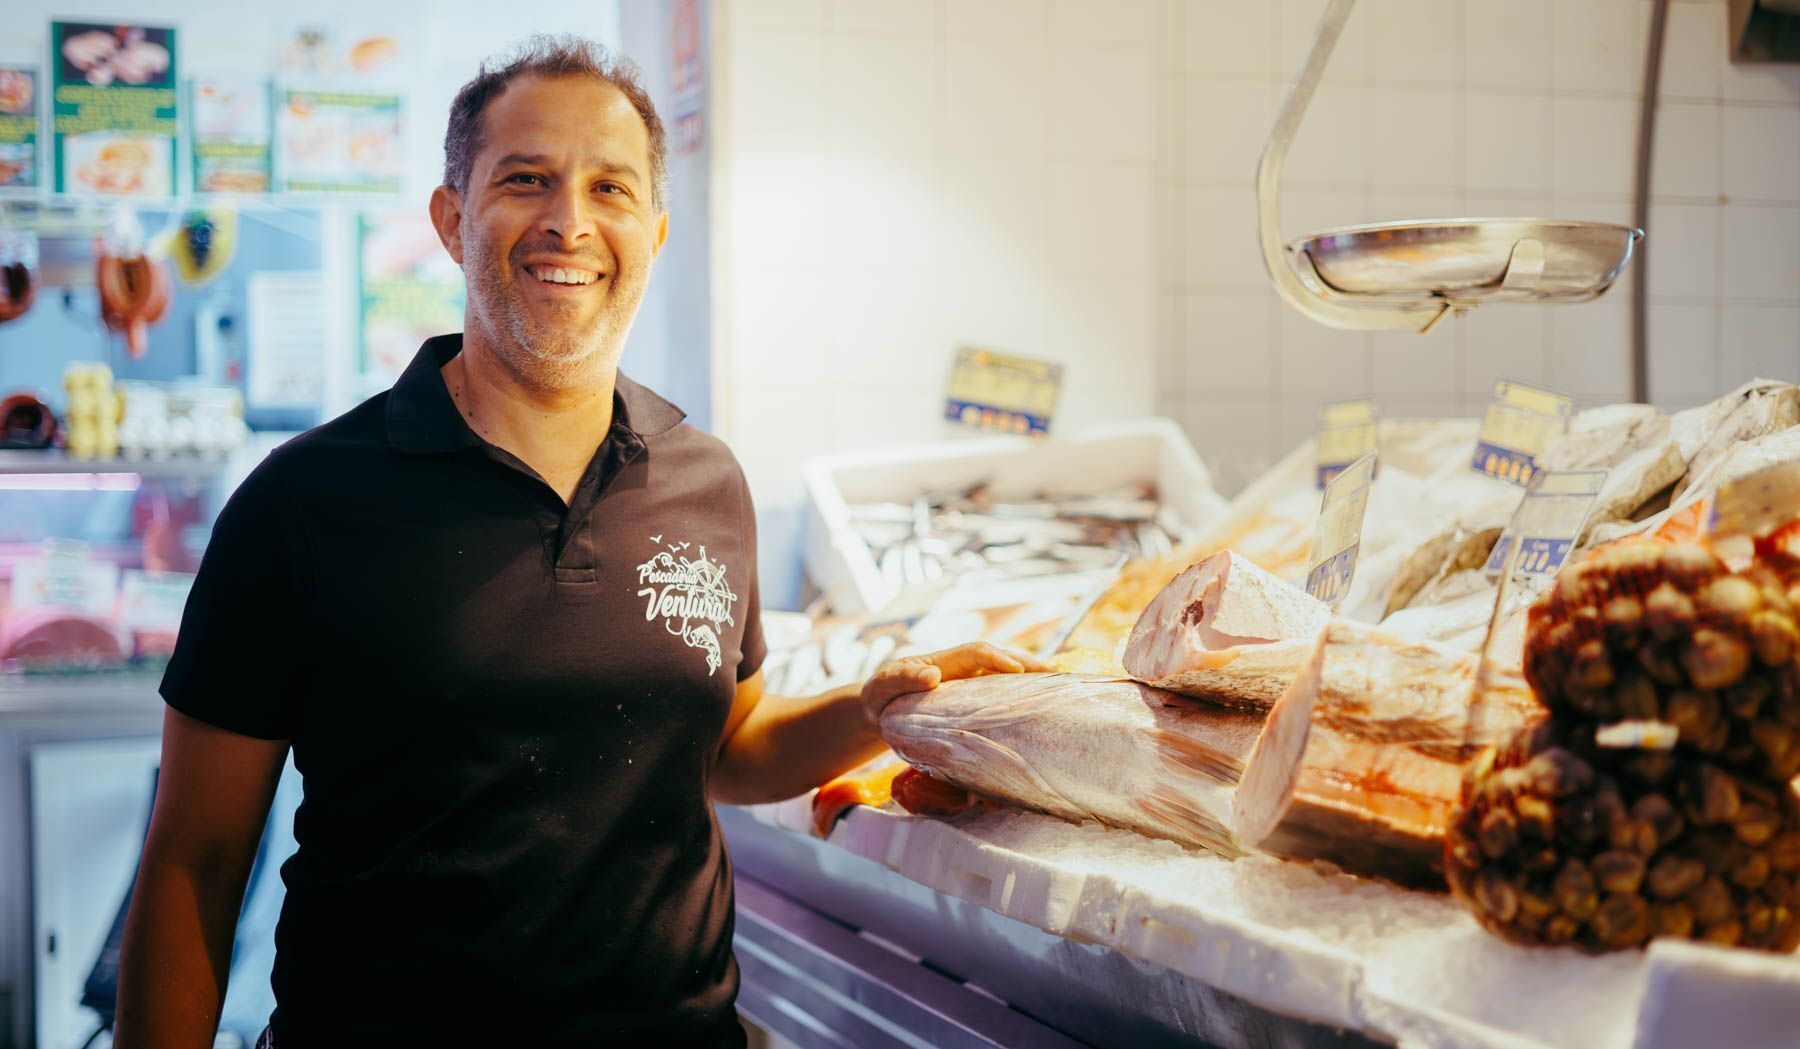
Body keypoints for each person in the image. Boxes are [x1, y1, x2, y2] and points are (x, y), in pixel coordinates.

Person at [113, 36, 1037, 1049]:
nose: (570, 221)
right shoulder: (303, 502)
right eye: (527, 179)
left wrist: (876, 708)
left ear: (654, 229)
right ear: (450, 217)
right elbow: (194, 862)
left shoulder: (705, 480)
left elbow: (724, 743)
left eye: (610, 187)